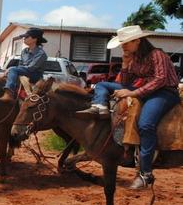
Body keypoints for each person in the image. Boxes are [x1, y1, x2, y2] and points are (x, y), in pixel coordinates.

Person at [76, 25, 180, 189]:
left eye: (126, 43)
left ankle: (145, 173)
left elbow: (160, 79)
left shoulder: (157, 55)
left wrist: (133, 93)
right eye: (122, 43)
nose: (123, 46)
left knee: (146, 125)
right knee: (102, 85)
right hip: (143, 90)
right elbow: (123, 83)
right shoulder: (134, 58)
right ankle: (100, 107)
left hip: (163, 92)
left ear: (137, 41)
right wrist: (124, 64)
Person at [0, 27, 48, 102]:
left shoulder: (41, 54)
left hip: (35, 75)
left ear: (34, 39)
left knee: (13, 70)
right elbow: (20, 65)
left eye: (26, 37)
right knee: (11, 72)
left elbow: (31, 68)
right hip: (24, 71)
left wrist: (12, 69)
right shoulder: (24, 51)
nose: (24, 38)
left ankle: (9, 93)